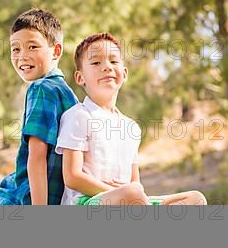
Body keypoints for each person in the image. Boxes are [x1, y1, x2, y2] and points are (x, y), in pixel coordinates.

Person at [56, 33, 207, 206]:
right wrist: (114, 191)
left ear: (125, 73)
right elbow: (72, 177)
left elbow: (135, 182)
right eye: (96, 62)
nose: (107, 67)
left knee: (195, 199)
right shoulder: (78, 116)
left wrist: (132, 193)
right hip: (86, 201)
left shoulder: (131, 127)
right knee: (132, 193)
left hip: (129, 199)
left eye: (113, 61)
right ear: (80, 78)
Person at [0, 8, 79, 205]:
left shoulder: (41, 88)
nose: (22, 56)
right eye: (15, 49)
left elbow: (37, 157)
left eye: (32, 47)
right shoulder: (67, 93)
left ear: (56, 51)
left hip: (29, 199)